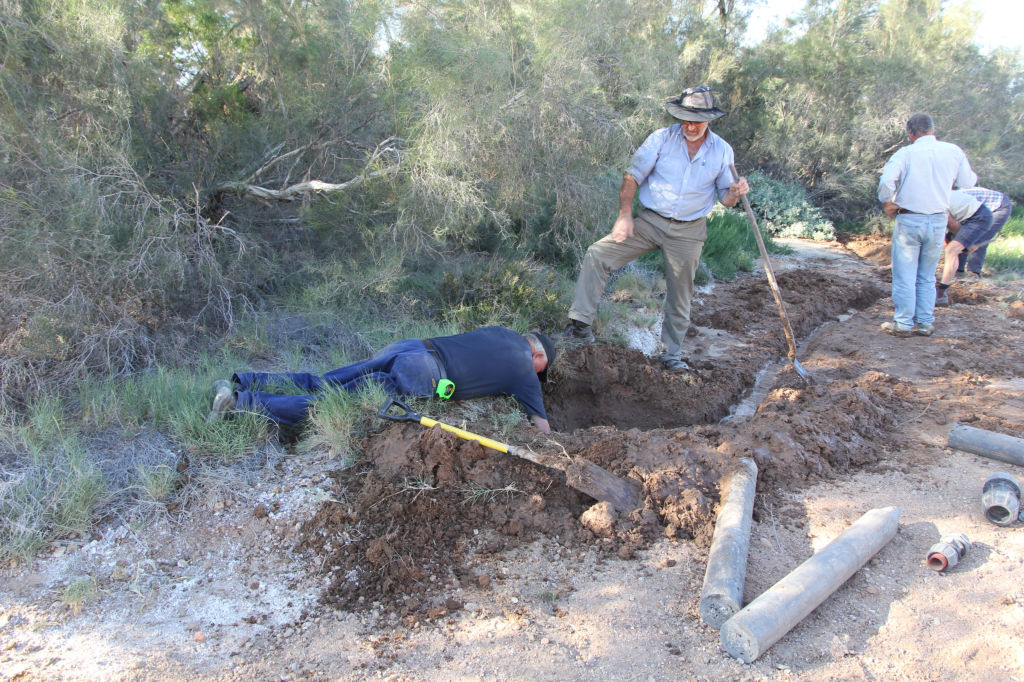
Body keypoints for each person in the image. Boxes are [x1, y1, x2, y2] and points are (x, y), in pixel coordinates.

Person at [561, 85, 749, 374]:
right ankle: (580, 328)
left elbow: (725, 197)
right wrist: (625, 215)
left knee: (680, 294)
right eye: (685, 118)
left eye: (696, 121)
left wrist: (736, 193)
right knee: (598, 254)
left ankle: (671, 354)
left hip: (689, 230)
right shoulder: (661, 139)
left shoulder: (722, 151)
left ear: (709, 120)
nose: (689, 126)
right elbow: (632, 175)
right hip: (650, 221)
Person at [207, 326, 557, 433]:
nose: (538, 378)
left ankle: (244, 379)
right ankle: (241, 405)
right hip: (426, 375)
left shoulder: (502, 331)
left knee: (326, 382)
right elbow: (540, 425)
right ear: (538, 357)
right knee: (331, 404)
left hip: (410, 348)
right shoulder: (525, 370)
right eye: (543, 372)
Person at [877, 113, 977, 337]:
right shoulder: (953, 151)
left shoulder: (906, 153)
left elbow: (886, 182)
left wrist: (887, 201)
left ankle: (903, 323)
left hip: (910, 217)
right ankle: (924, 322)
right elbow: (969, 182)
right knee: (927, 274)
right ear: (932, 130)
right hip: (939, 219)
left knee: (905, 274)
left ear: (910, 134)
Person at [935, 189, 997, 306]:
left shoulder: (935, 200)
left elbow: (952, 224)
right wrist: (967, 242)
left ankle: (941, 294)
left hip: (979, 217)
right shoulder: (932, 194)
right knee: (953, 247)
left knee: (951, 250)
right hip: (968, 218)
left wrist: (966, 242)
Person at [950, 187, 1013, 280]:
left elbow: (955, 228)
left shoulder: (948, 204)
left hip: (999, 206)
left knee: (978, 239)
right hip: (976, 210)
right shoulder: (947, 202)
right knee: (961, 238)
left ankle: (974, 274)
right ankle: (959, 272)